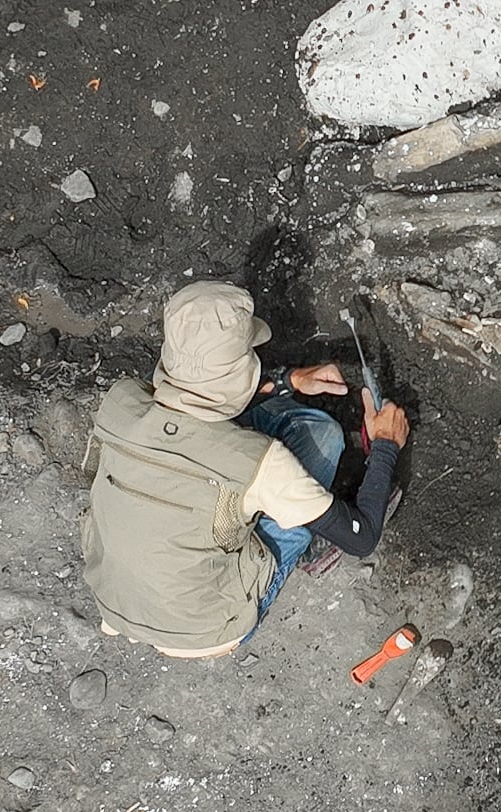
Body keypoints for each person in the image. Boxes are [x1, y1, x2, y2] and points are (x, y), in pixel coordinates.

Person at [81, 279, 408, 659]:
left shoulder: (121, 402)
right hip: (205, 628)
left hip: (115, 598)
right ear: (240, 369)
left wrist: (289, 381)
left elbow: (193, 397)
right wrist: (385, 445)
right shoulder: (261, 463)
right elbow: (362, 537)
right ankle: (308, 543)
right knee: (322, 445)